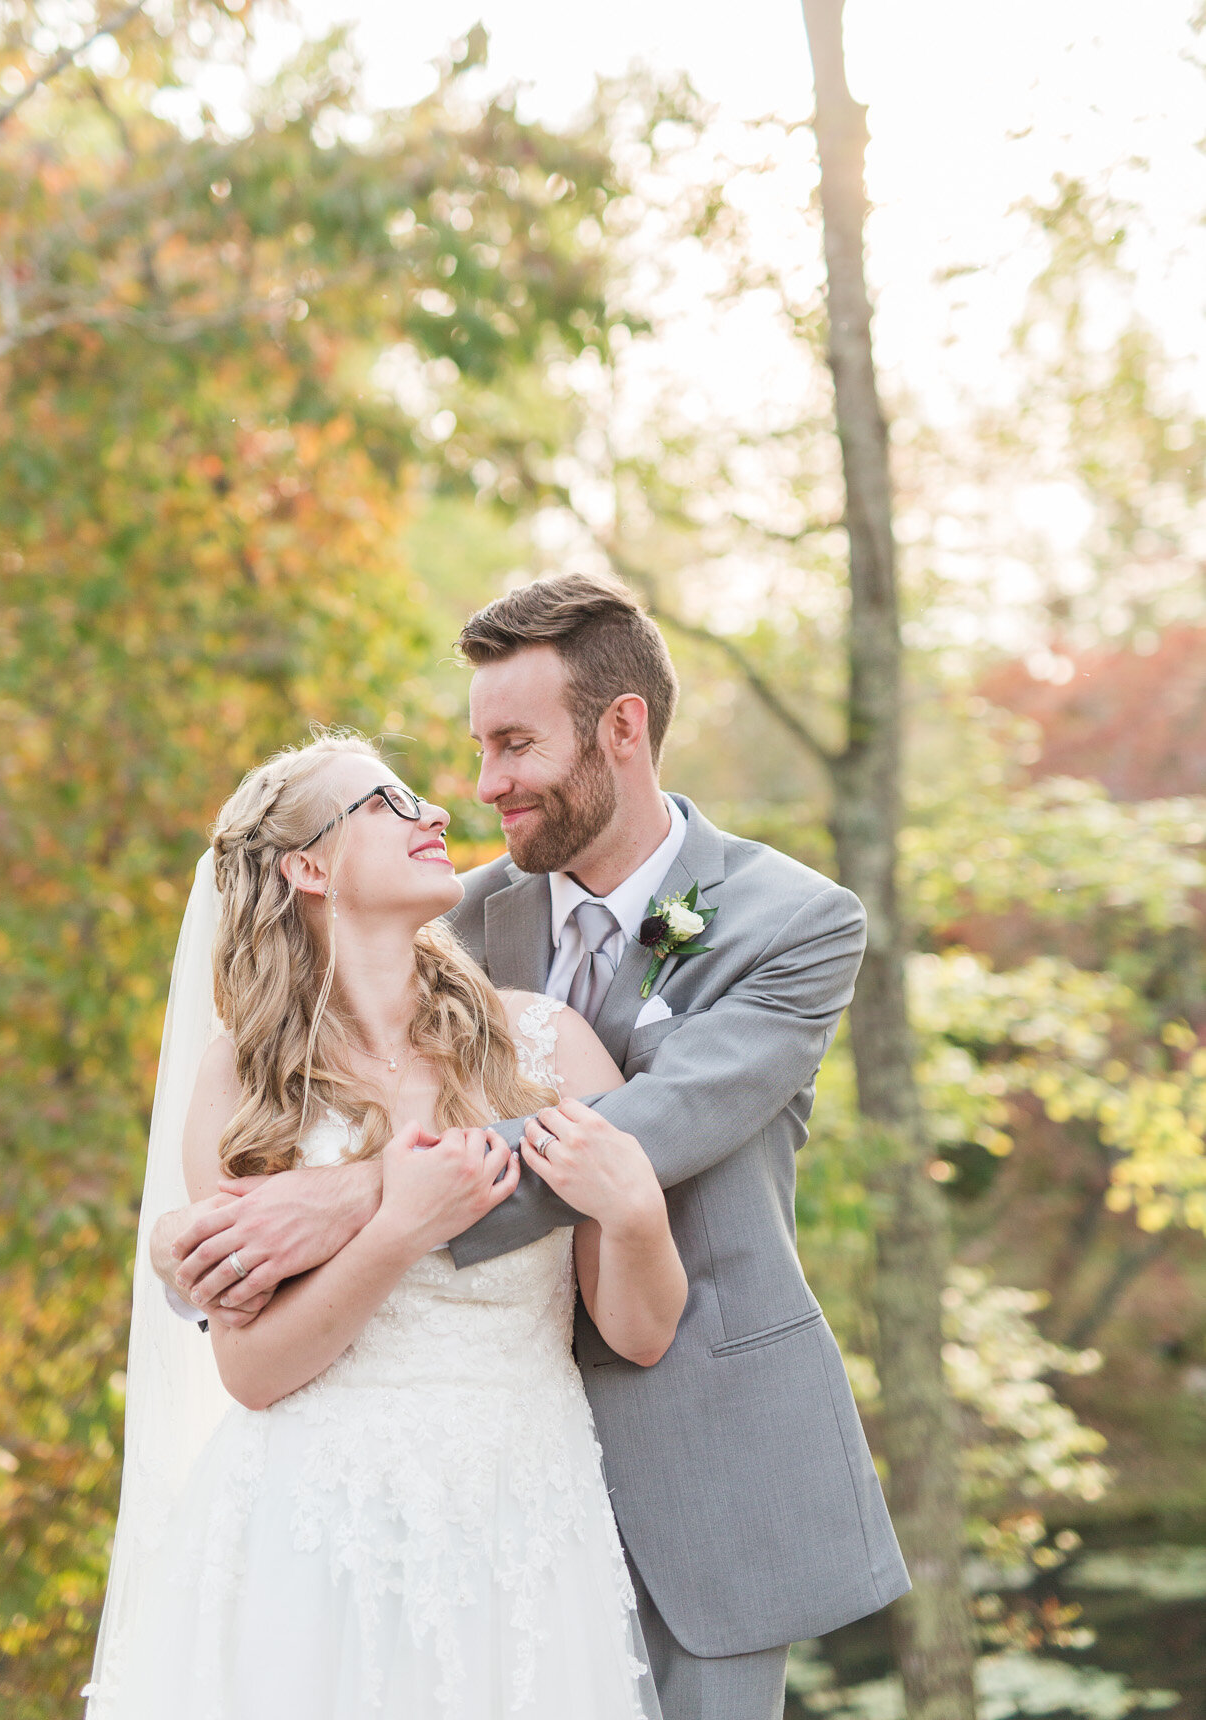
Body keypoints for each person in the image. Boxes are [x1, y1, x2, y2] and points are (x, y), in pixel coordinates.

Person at [161, 575, 911, 1720]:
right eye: (476, 746)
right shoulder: (439, 913)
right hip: (425, 1471)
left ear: (622, 729)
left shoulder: (794, 922)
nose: (482, 785)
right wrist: (189, 1248)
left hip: (692, 1439)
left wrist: (358, 1195)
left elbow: (660, 1119)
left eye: (515, 743)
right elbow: (288, 1086)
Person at [85, 731, 685, 1720]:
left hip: (523, 1520)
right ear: (309, 865)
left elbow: (640, 1328)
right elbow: (253, 1368)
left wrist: (635, 1213)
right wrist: (397, 1228)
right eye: (388, 802)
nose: (436, 814)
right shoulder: (249, 1077)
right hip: (315, 1534)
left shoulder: (544, 1043)